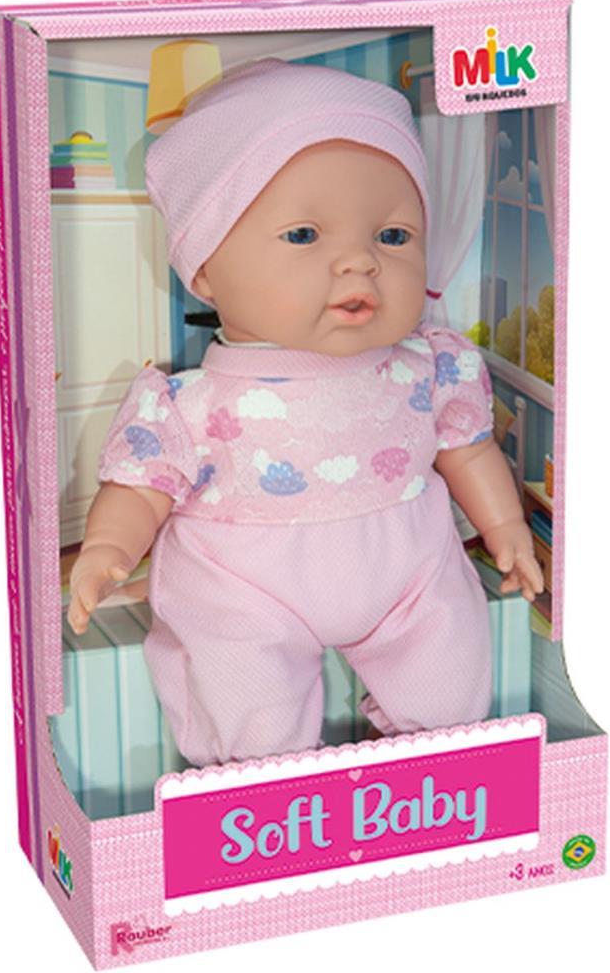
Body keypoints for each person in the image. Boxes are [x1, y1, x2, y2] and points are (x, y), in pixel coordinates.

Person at [67, 59, 543, 767]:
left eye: (392, 236)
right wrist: (109, 549)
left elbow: (469, 449)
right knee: (244, 696)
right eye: (303, 235)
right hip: (244, 587)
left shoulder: (432, 368)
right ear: (205, 268)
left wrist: (506, 529)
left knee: (448, 663)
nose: (359, 263)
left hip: (407, 570)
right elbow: (141, 486)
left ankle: (431, 770)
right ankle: (262, 787)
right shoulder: (189, 403)